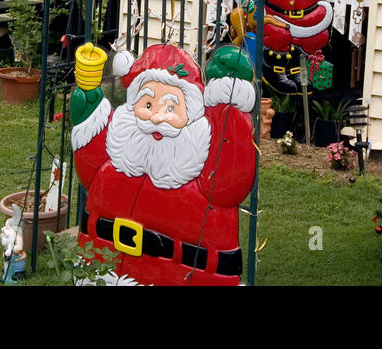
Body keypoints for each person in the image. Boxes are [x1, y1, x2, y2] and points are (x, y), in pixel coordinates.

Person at [69, 42, 256, 285]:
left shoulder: (202, 165)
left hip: (182, 273)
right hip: (106, 265)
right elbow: (91, 166)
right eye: (147, 105)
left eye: (171, 107)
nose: (156, 118)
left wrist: (228, 109)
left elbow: (230, 181)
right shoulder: (120, 153)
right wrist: (89, 110)